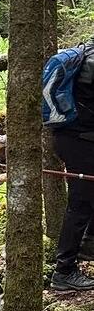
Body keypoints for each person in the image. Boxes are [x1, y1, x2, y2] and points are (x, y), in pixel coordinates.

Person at [52, 49, 94, 291]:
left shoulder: (86, 54)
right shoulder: (91, 63)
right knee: (79, 204)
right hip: (80, 142)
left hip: (77, 139)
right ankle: (64, 271)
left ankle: (88, 246)